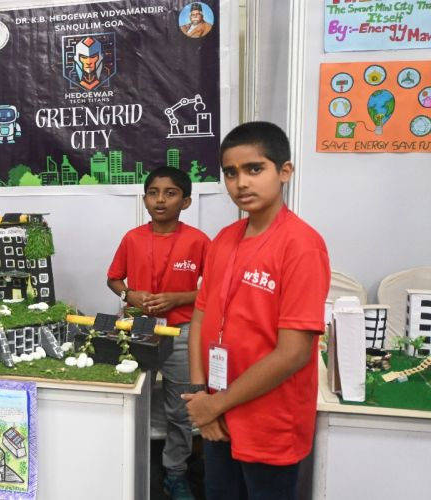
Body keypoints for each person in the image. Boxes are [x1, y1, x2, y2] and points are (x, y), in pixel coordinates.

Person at [182, 122, 330, 500]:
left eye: (254, 169)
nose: (241, 183)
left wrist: (214, 404)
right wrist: (201, 395)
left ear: (284, 171)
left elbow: (293, 353)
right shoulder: (223, 240)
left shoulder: (301, 246)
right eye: (231, 173)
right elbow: (201, 316)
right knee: (219, 493)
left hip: (269, 421)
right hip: (217, 414)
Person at [107, 166, 209, 500]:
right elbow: (114, 279)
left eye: (170, 193)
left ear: (186, 201)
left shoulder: (198, 241)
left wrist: (179, 298)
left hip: (181, 332)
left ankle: (175, 473)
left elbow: (215, 289)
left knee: (180, 408)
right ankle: (126, 466)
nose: (160, 200)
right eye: (153, 193)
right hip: (139, 329)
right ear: (145, 199)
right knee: (132, 400)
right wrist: (130, 295)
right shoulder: (132, 238)